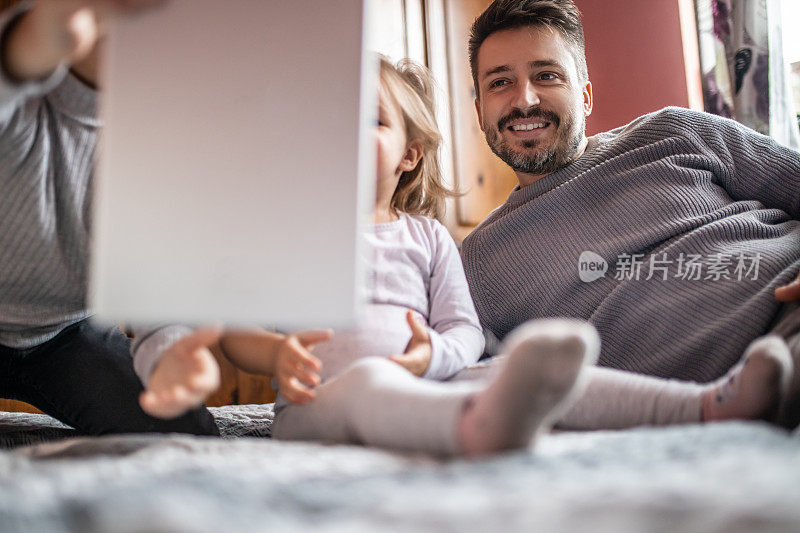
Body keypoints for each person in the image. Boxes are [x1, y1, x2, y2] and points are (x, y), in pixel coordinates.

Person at [142, 58, 793, 455]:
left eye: (364, 116)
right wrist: (278, 355)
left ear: (408, 153)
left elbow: (463, 331)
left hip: (429, 377)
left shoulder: (429, 239)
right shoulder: (292, 237)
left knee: (505, 368)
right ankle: (473, 430)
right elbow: (238, 334)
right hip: (322, 405)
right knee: (374, 383)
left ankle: (707, 405)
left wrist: (435, 356)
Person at [459, 0, 800, 428]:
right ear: (480, 111)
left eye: (546, 75)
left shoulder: (676, 131)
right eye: (500, 82)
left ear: (584, 95)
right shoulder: (472, 265)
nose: (524, 99)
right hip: (714, 399)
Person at [0, 0, 218, 435]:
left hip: (67, 334)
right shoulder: (22, 89)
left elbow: (158, 292)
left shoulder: (174, 140)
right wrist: (31, 40)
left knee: (185, 432)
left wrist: (170, 353)